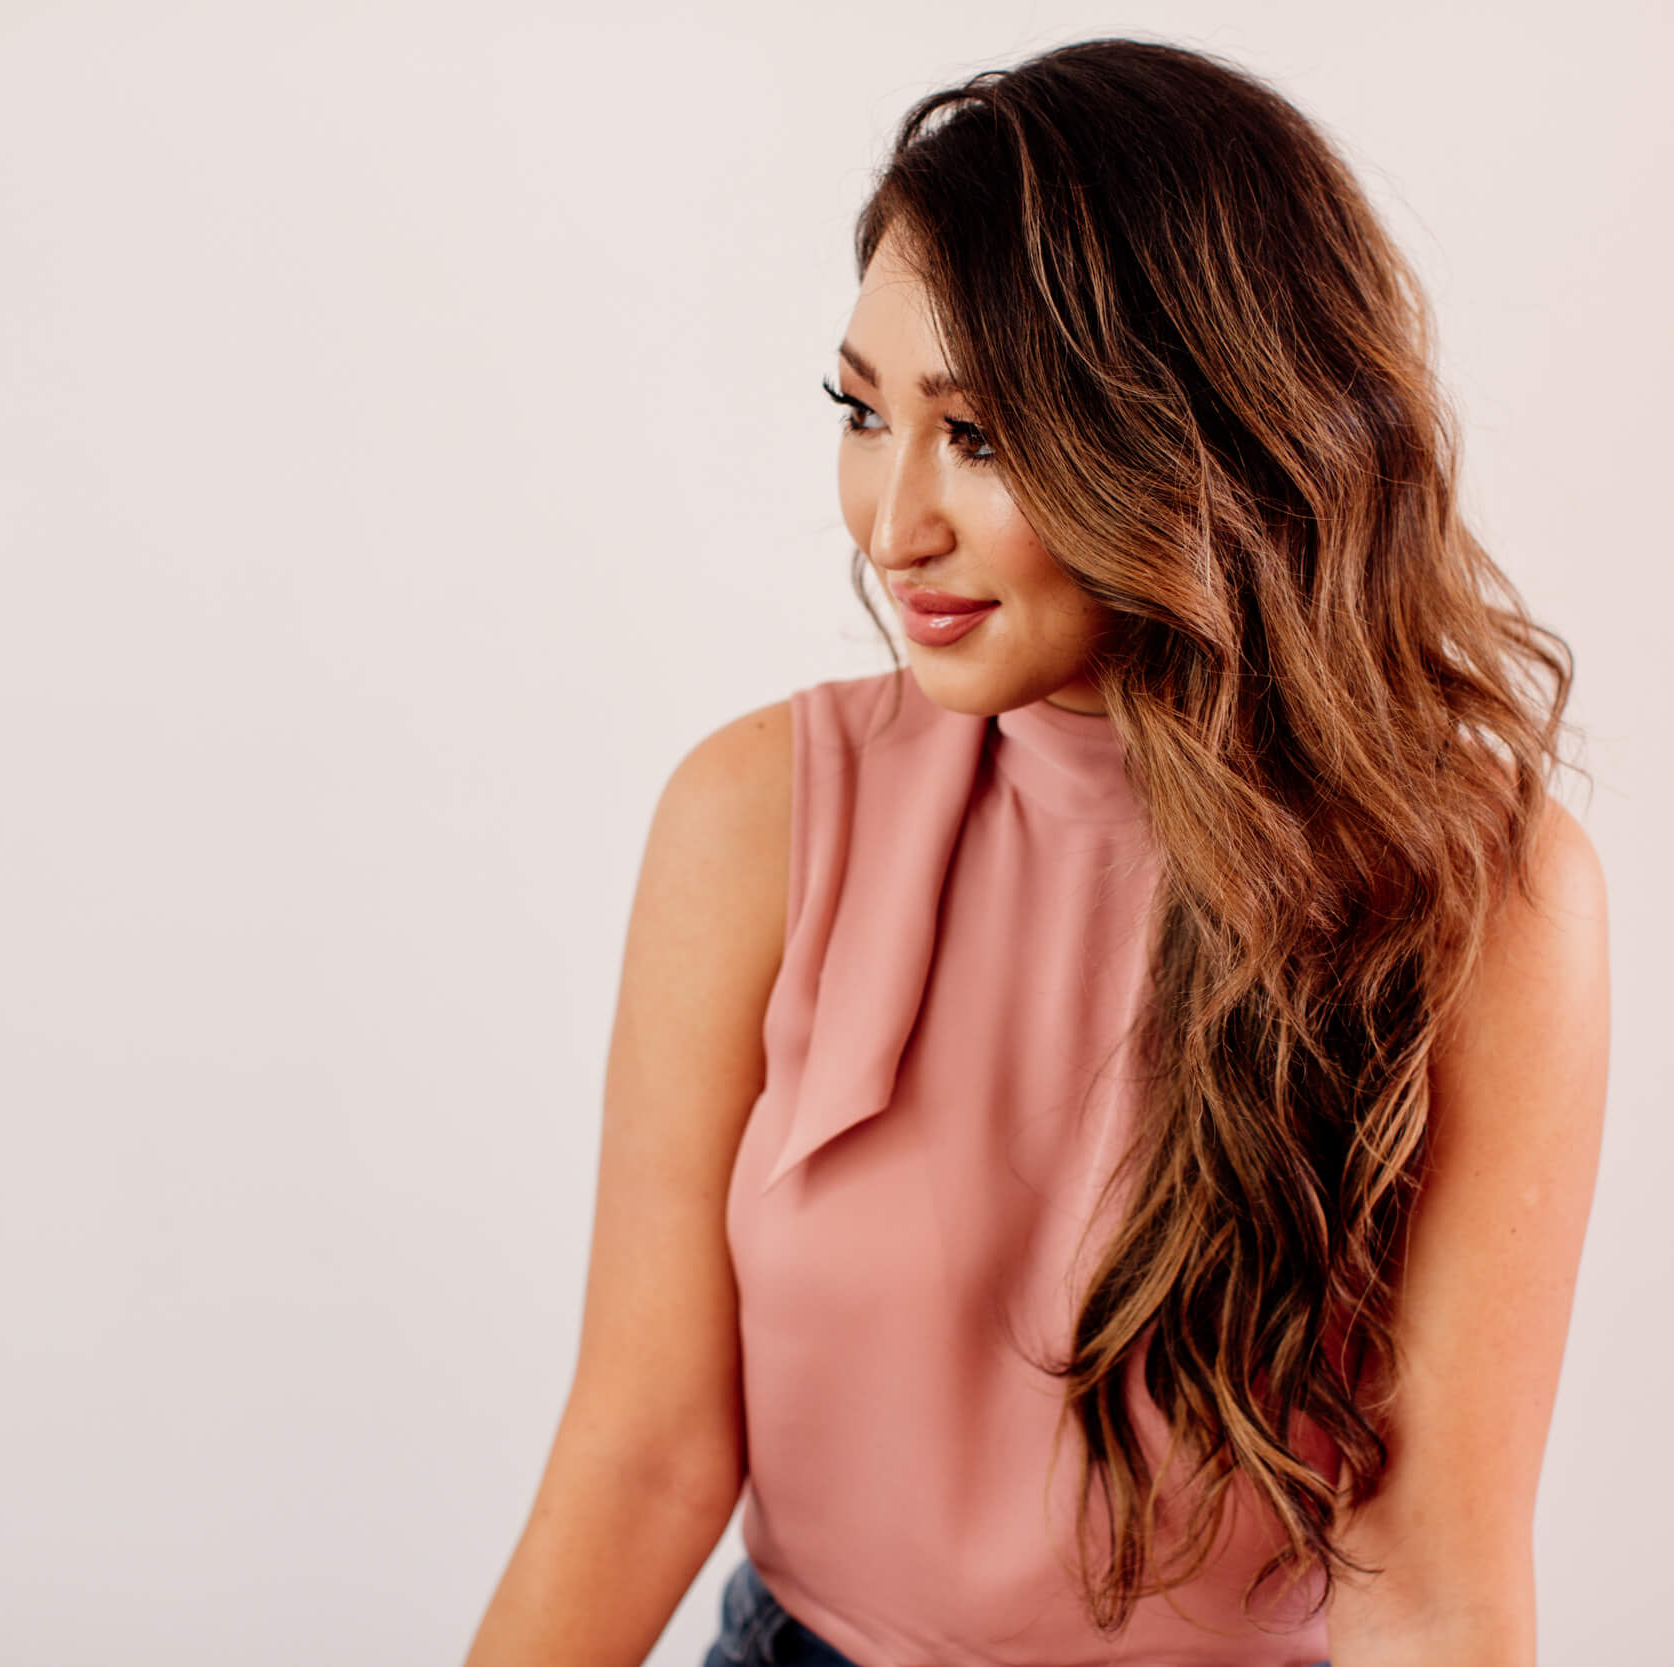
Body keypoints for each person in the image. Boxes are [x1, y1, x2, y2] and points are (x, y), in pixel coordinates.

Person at [463, 35, 1608, 1667]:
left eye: (985, 437)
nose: (890, 520)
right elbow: (644, 1456)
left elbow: (1428, 1579)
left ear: (1200, 437)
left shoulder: (1481, 900)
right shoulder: (755, 817)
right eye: (864, 414)